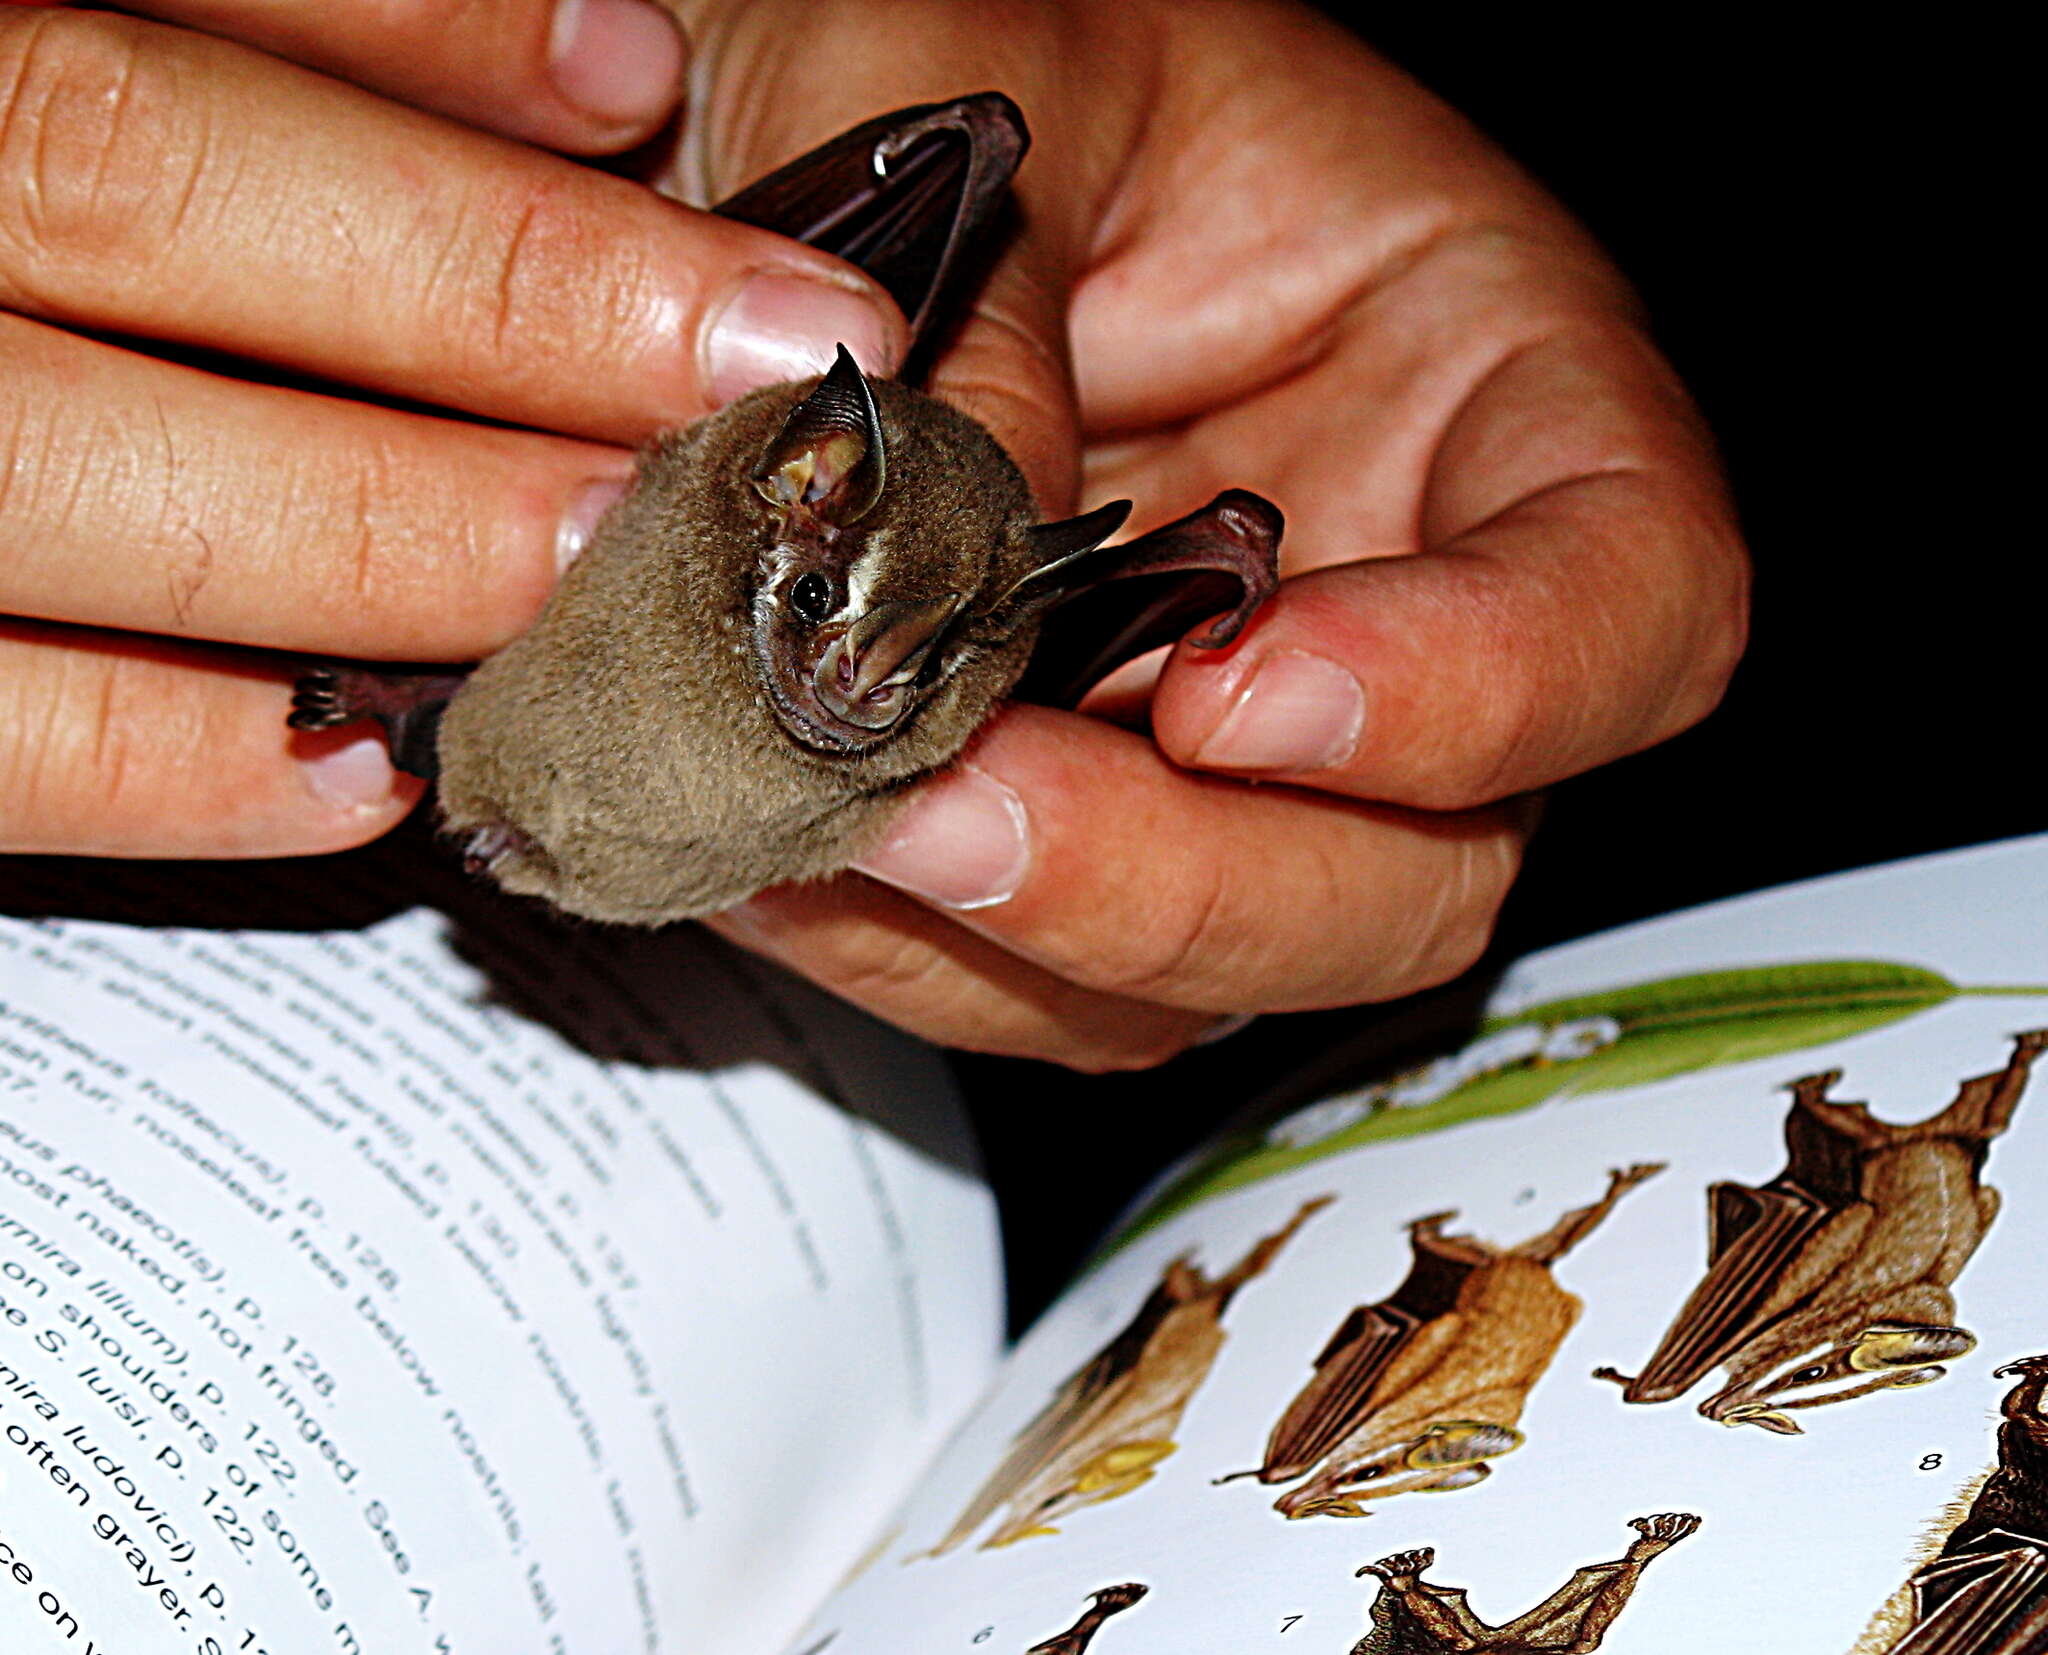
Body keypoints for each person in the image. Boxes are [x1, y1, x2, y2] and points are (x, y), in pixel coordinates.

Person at [0, 0, 1746, 1070]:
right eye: (838, 607)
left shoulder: (954, 669)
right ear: (797, 496)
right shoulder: (705, 473)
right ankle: (416, 715)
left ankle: (418, 724)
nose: (849, 673)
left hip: (573, 813)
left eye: (914, 661)